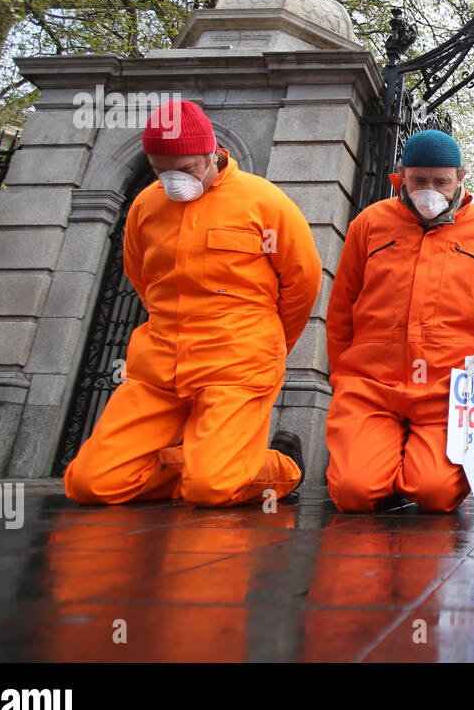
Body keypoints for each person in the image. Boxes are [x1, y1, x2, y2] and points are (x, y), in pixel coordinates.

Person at [65, 100, 321, 506]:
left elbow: (302, 283)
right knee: (91, 484)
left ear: (212, 152)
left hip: (237, 361)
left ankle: (282, 466)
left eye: (183, 170)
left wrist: (268, 345)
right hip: (158, 365)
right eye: (158, 171)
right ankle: (215, 461)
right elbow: (141, 277)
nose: (170, 180)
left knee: (212, 488)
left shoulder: (265, 202)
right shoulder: (145, 207)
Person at [325, 129, 474, 513]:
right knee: (353, 492)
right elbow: (343, 305)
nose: (430, 190)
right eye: (419, 180)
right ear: (401, 176)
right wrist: (342, 373)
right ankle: (380, 474)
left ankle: (402, 473)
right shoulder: (369, 223)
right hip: (371, 383)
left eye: (441, 181)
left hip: (450, 388)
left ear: (460, 178)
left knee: (435, 493)